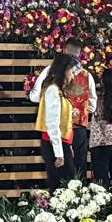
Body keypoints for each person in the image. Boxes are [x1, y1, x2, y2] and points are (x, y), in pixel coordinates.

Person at [29, 52, 77, 189]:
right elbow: (52, 123)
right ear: (64, 71)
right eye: (71, 72)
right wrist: (59, 153)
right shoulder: (52, 90)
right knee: (61, 186)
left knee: (67, 185)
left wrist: (68, 146)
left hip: (61, 143)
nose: (72, 76)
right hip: (54, 144)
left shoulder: (61, 91)